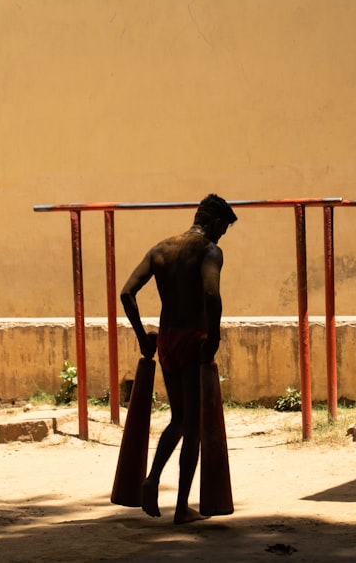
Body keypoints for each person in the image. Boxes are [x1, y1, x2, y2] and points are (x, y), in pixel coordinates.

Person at [119, 193, 238, 524]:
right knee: (193, 425)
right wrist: (212, 338)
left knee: (180, 419)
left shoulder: (161, 249)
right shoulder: (210, 251)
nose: (223, 234)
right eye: (224, 227)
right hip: (193, 339)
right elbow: (212, 294)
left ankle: (153, 479)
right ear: (214, 222)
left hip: (168, 339)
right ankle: (181, 506)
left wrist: (144, 337)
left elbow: (127, 292)